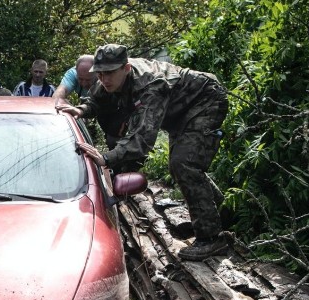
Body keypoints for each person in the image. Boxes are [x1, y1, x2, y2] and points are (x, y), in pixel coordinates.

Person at [59, 44, 229, 261]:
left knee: (184, 163)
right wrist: (82, 109)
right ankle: (218, 213)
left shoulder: (150, 86)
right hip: (179, 110)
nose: (104, 79)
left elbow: (141, 139)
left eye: (109, 73)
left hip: (205, 101)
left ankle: (211, 238)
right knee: (183, 165)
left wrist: (106, 159)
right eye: (100, 74)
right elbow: (97, 100)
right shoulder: (111, 79)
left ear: (126, 68)